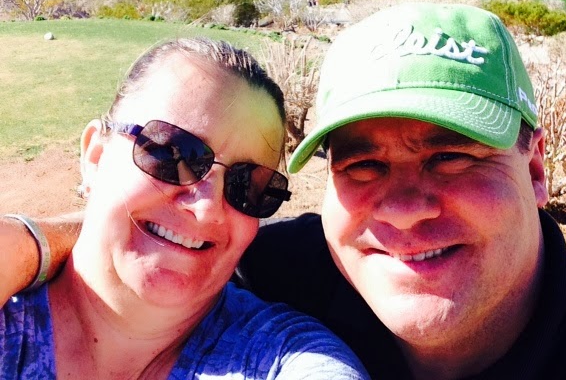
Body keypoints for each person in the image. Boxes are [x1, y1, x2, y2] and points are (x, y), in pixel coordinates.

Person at [5, 4, 566, 379]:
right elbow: (169, 244)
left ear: (536, 170)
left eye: (451, 157)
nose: (403, 209)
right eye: (363, 165)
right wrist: (32, 244)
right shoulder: (281, 264)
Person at [0, 38, 369, 379]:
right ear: (95, 156)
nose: (208, 208)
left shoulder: (285, 359)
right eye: (171, 154)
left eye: (249, 186)